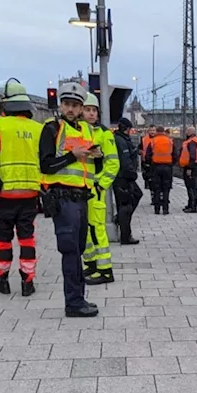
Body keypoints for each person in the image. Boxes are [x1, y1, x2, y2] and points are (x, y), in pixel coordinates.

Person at [39, 82, 100, 317]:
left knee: (79, 248)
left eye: (76, 105)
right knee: (70, 251)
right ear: (61, 105)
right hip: (63, 199)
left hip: (81, 198)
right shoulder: (52, 129)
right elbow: (46, 165)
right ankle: (73, 304)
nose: (71, 109)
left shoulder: (86, 131)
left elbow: (89, 166)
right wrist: (71, 156)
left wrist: (97, 155)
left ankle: (79, 298)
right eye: (67, 104)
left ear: (82, 108)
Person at [0, 79, 44, 295]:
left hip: (4, 194)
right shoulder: (38, 129)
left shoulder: (0, 125)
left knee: (3, 239)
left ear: (6, 104)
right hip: (30, 194)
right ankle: (28, 282)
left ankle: (2, 280)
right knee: (27, 238)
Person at [81, 93, 120, 284]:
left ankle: (105, 271)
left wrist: (100, 185)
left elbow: (113, 164)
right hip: (81, 188)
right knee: (86, 229)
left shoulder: (104, 134)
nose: (90, 114)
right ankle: (91, 265)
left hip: (94, 189)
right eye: (87, 110)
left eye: (93, 110)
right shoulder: (78, 131)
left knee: (97, 228)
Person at [111, 118, 143, 245]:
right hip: (123, 177)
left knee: (135, 197)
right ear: (126, 129)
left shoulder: (120, 139)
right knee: (125, 206)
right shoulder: (121, 141)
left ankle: (121, 223)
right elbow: (125, 160)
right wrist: (132, 174)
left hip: (123, 176)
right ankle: (125, 235)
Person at [147, 126, 175, 214]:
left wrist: (150, 164)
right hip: (167, 167)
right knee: (166, 188)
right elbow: (175, 154)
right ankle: (166, 209)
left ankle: (157, 209)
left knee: (157, 188)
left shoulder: (153, 141)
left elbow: (148, 155)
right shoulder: (170, 141)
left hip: (156, 167)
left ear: (156, 132)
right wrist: (171, 164)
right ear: (163, 132)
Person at [178, 126, 197, 213]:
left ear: (190, 132)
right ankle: (190, 204)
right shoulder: (196, 141)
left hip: (191, 167)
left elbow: (192, 156)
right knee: (192, 186)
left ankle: (192, 206)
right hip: (193, 167)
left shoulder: (191, 143)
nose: (185, 132)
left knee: (191, 187)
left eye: (187, 131)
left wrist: (189, 168)